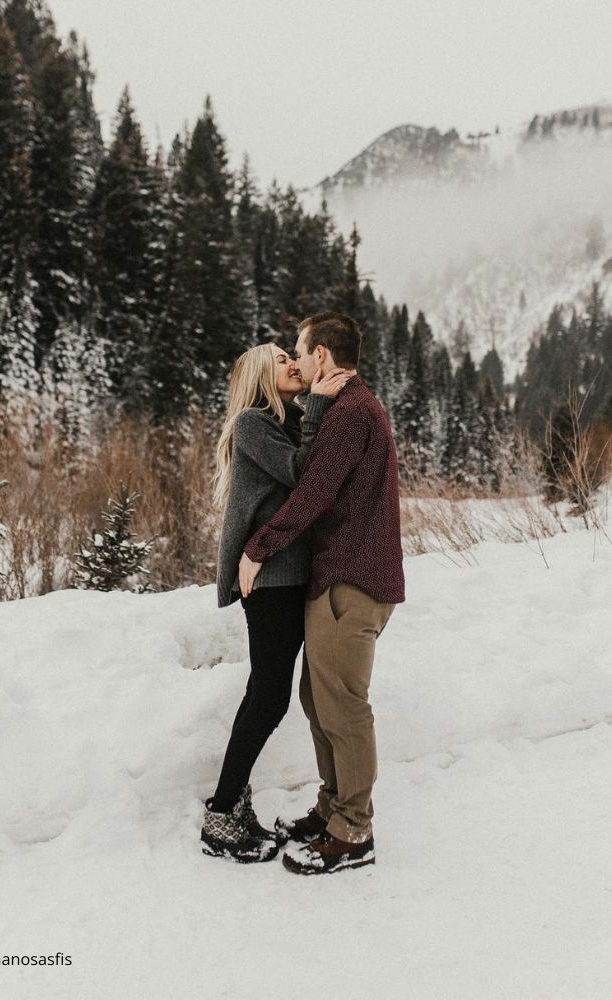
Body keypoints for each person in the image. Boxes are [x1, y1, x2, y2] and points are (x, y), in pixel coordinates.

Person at [239, 311, 405, 876]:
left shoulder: (350, 412)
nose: (296, 358)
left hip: (350, 582)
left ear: (323, 358)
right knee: (318, 699)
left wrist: (259, 546)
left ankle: (353, 831)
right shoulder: (345, 407)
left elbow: (311, 492)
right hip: (340, 576)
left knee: (343, 708)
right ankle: (333, 808)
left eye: (300, 350)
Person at [201, 341, 353, 863]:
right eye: (283, 361)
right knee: (269, 695)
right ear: (263, 376)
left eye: (295, 357)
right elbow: (303, 473)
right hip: (270, 581)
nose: (294, 364)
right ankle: (221, 816)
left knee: (268, 692)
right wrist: (321, 406)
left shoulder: (283, 419)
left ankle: (231, 802)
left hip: (288, 576)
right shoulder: (253, 422)